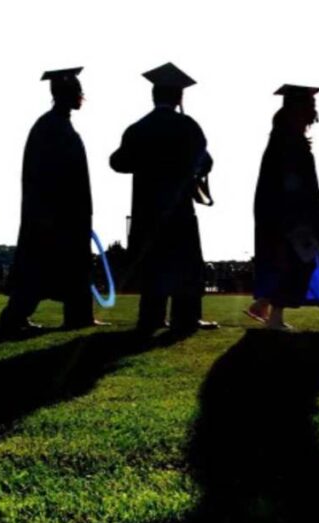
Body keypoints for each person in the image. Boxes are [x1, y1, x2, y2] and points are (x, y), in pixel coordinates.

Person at [110, 62, 218, 333]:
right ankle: (186, 318)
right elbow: (205, 162)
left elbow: (118, 162)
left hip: (147, 208)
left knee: (153, 265)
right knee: (184, 264)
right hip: (178, 208)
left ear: (154, 96)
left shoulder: (138, 128)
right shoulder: (187, 126)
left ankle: (151, 318)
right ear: (179, 97)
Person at [0, 67, 100, 332]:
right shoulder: (51, 127)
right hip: (55, 212)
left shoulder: (57, 124)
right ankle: (15, 315)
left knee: (71, 264)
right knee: (41, 265)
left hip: (67, 211)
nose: (82, 96)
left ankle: (79, 316)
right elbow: (43, 174)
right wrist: (47, 212)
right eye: (78, 91)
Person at [246, 85, 319, 330]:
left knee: (293, 263)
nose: (313, 112)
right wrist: (311, 214)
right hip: (291, 216)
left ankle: (266, 306)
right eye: (310, 106)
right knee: (294, 263)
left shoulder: (284, 140)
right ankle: (272, 314)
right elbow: (295, 184)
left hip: (287, 214)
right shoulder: (289, 143)